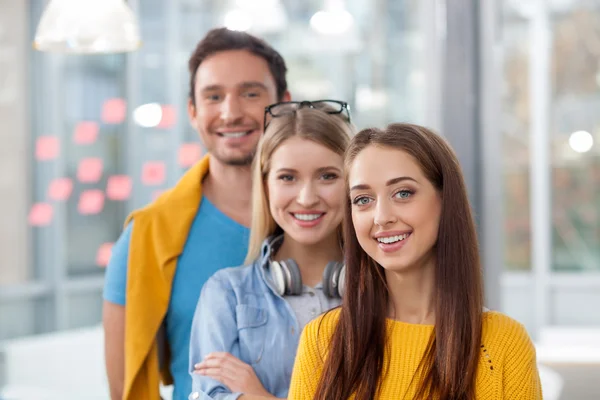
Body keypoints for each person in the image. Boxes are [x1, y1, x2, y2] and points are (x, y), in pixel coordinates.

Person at [288, 123, 543, 399]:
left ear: (445, 200)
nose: (381, 216)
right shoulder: (322, 339)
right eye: (363, 199)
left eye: (403, 193)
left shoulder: (504, 344)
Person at [102, 27, 290, 400]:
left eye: (251, 93)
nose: (231, 112)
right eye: (214, 96)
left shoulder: (335, 220)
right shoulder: (146, 236)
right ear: (192, 111)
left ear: (284, 102)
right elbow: (125, 388)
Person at [188, 100, 354, 400]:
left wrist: (259, 396)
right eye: (287, 177)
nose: (306, 198)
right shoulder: (226, 293)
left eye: (328, 176)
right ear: (265, 185)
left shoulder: (384, 291)